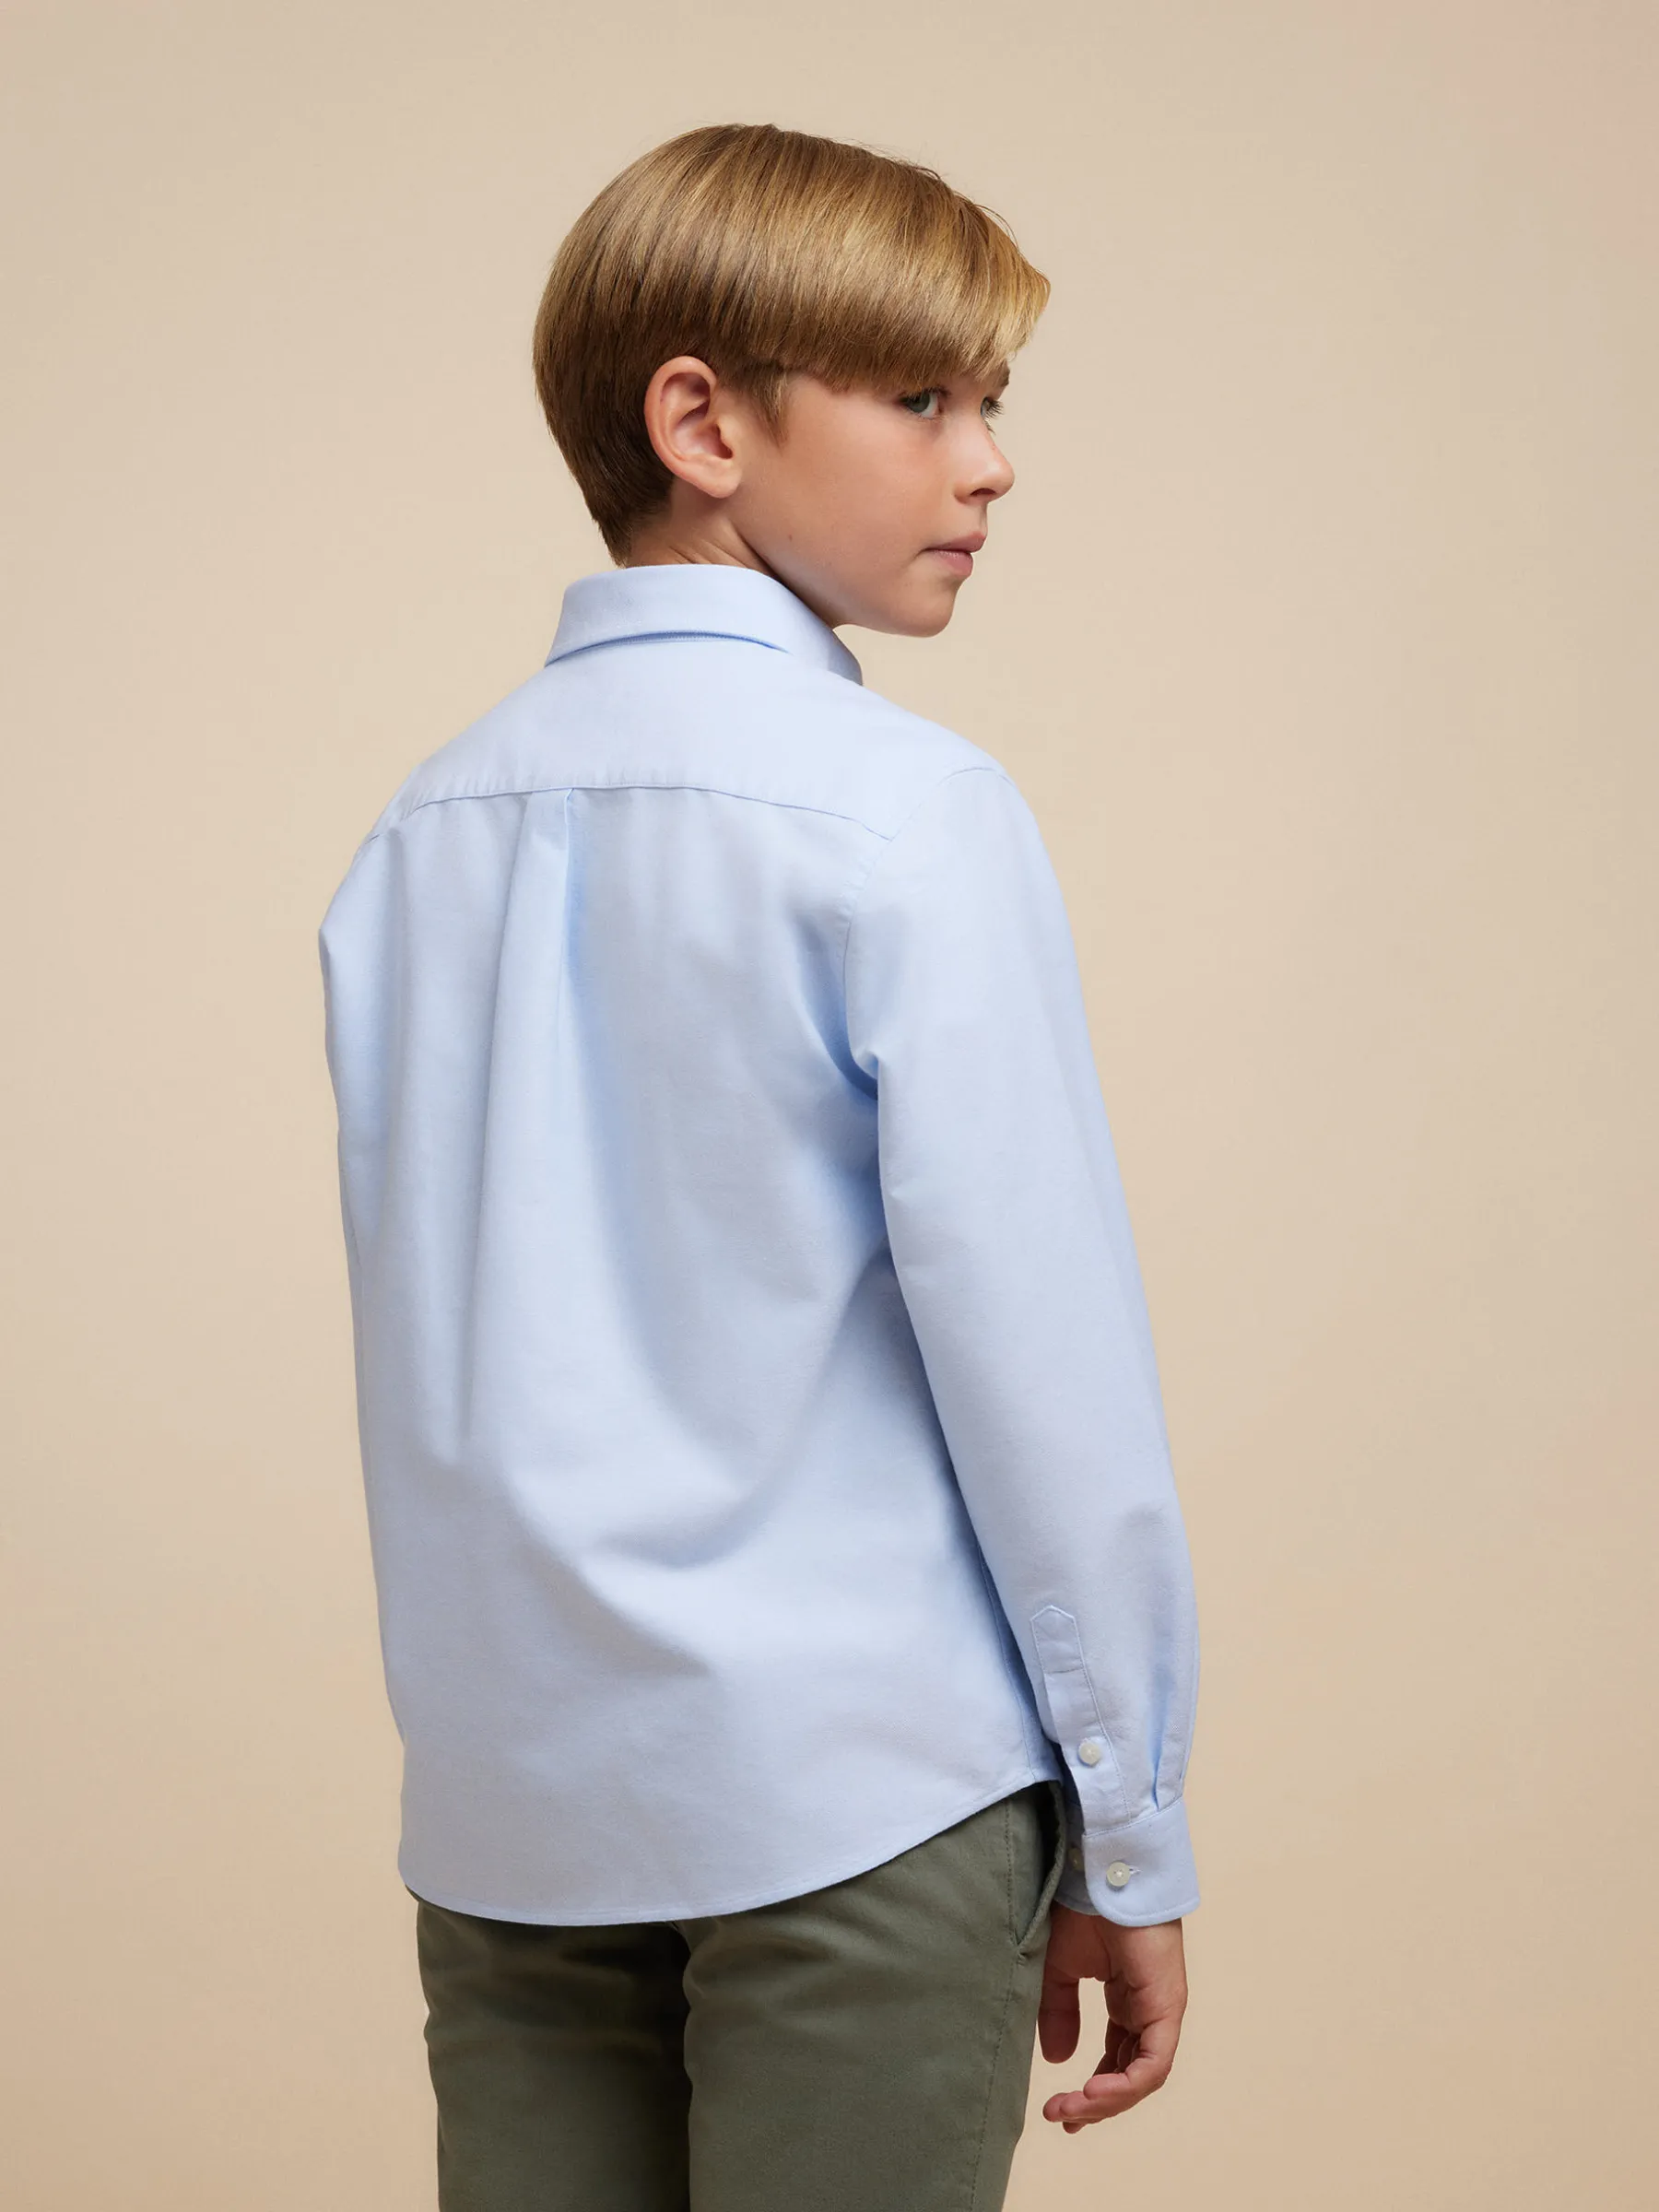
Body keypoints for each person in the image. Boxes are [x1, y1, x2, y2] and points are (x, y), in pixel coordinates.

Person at [318, 120, 1200, 2212]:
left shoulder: (418, 837)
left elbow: (443, 1356)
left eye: (990, 403)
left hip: (515, 1826)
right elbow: (1042, 1368)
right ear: (702, 423)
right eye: (926, 400)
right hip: (862, 1804)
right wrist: (1132, 1820)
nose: (991, 464)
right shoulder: (907, 813)